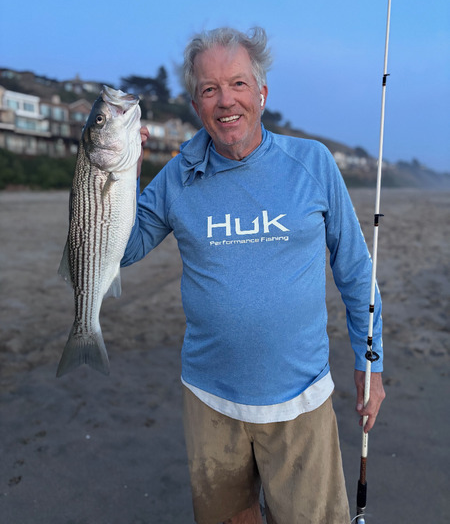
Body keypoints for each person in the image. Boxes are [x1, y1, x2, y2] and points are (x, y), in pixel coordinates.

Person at [121, 27, 385, 524]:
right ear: (196, 105)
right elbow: (123, 250)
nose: (226, 101)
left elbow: (354, 269)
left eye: (238, 84)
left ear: (262, 93)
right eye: (209, 89)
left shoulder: (312, 163)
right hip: (210, 400)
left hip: (300, 402)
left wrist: (370, 359)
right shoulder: (178, 175)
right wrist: (122, 175)